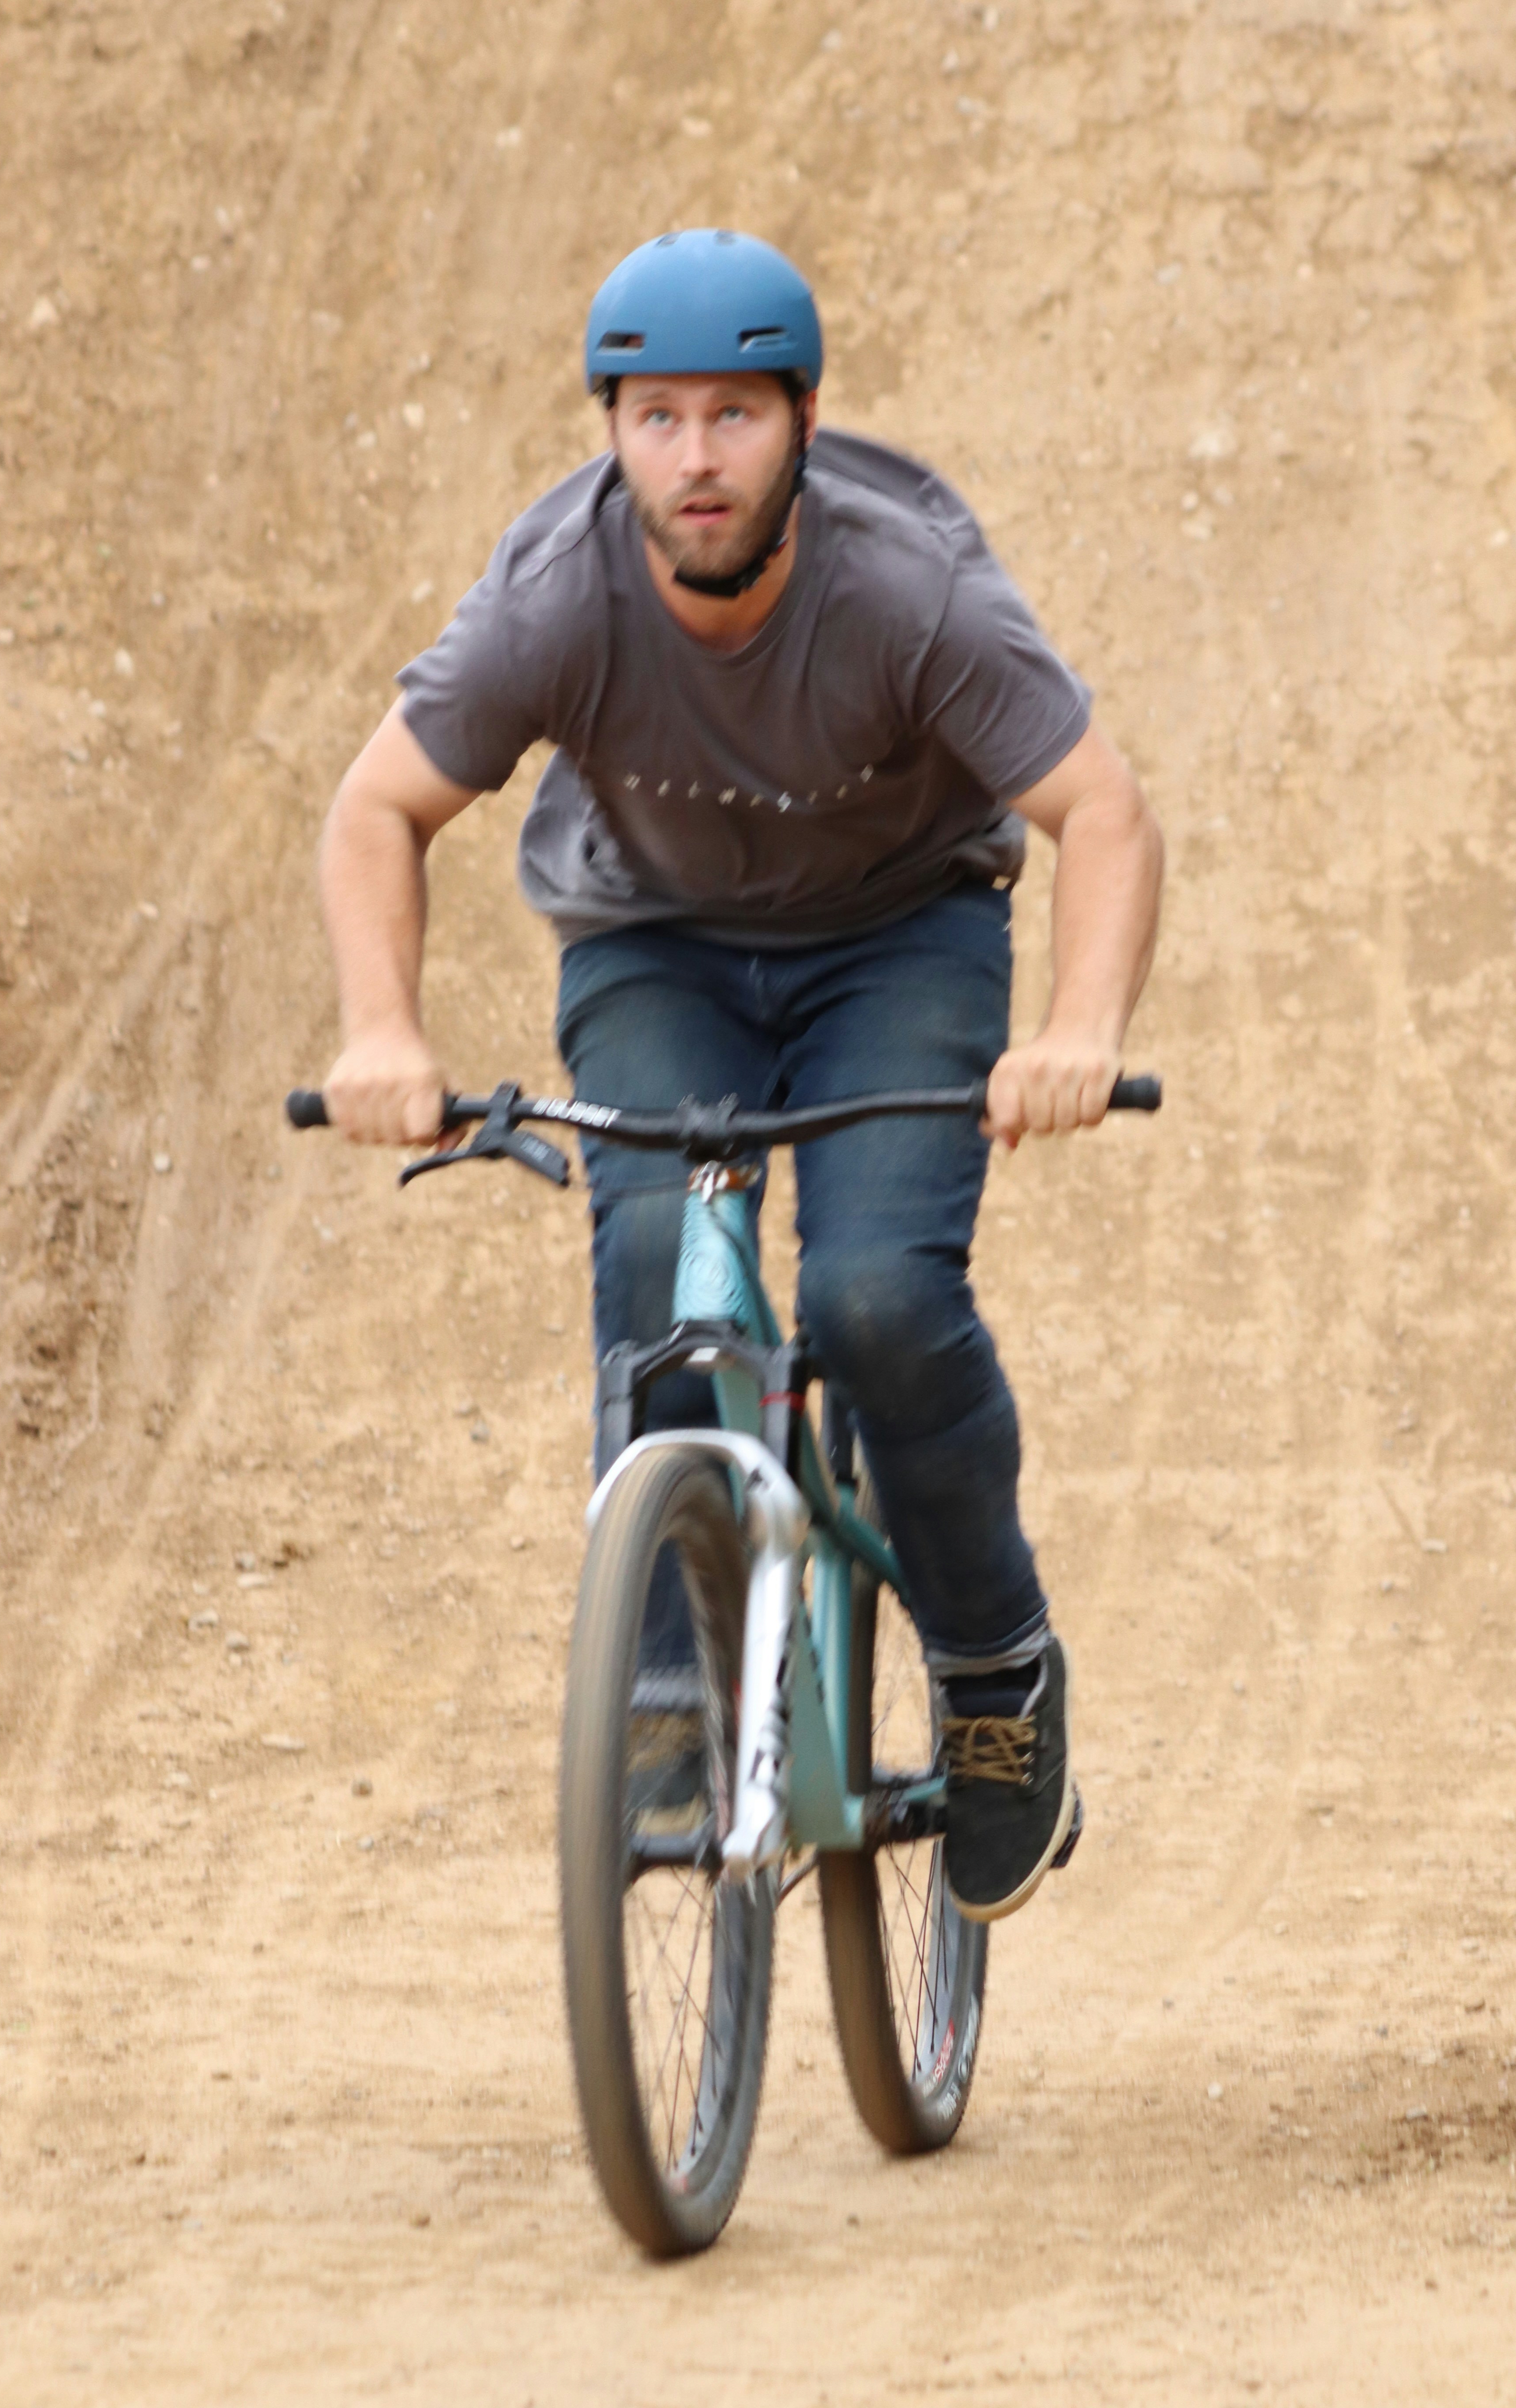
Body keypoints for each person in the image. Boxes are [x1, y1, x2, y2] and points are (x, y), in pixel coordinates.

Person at [316, 228, 1163, 1921]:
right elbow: (377, 811)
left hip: (899, 942)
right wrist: (383, 1029)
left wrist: (1079, 1028)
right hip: (658, 955)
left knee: (873, 1298)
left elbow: (1103, 812)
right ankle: (661, 1687)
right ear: (613, 432)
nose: (694, 461)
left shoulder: (903, 587)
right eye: (656, 420)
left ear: (804, 421)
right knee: (659, 1273)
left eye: (734, 418)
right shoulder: (561, 594)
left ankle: (996, 1673)